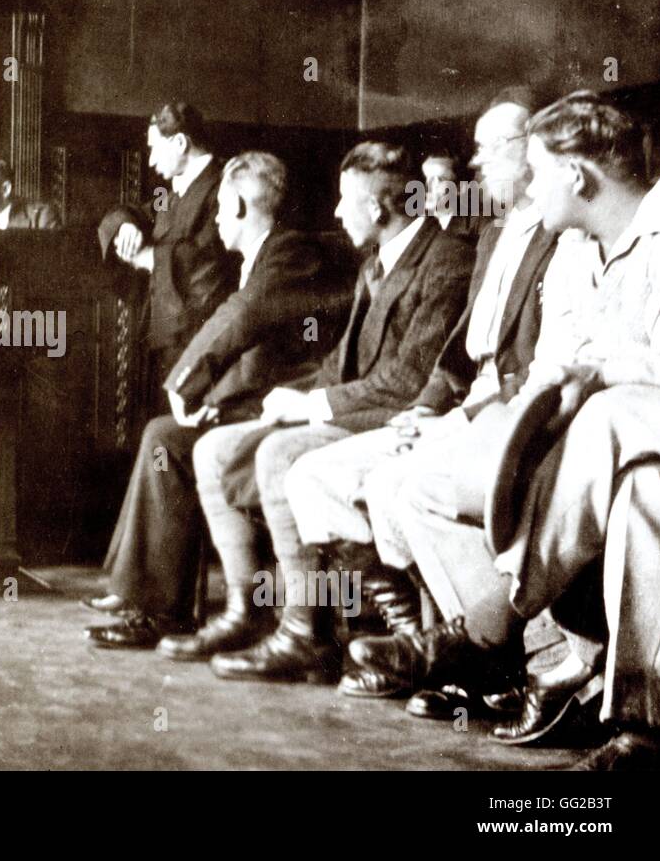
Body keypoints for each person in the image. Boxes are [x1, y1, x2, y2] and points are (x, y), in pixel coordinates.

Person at [350, 92, 660, 760]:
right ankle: (594, 698)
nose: (526, 183)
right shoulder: (575, 248)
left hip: (634, 421)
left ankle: (498, 622)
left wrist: (599, 373)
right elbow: (553, 364)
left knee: (610, 419)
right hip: (606, 443)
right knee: (439, 475)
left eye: (540, 168)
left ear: (577, 177)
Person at [277, 94, 557, 696]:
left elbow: (537, 367)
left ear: (534, 149)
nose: (476, 164)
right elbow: (459, 353)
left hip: (517, 413)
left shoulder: (556, 236)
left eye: (489, 148)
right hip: (458, 410)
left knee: (391, 485)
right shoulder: (495, 234)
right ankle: (417, 640)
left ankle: (468, 657)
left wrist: (456, 415)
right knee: (311, 477)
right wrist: (428, 407)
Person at [182, 141, 474, 681]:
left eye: (344, 201)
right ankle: (245, 611)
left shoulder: (447, 259)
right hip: (361, 408)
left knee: (278, 454)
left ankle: (304, 633)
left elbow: (412, 380)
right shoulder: (375, 264)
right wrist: (288, 402)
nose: (336, 214)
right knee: (214, 448)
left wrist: (312, 406)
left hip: (404, 416)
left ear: (376, 209)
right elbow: (341, 366)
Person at [83, 153, 354, 648]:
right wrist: (213, 399)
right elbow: (247, 343)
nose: (215, 222)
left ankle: (169, 608)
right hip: (266, 400)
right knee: (166, 434)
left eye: (221, 211)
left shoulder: (290, 252)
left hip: (300, 406)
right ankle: (153, 601)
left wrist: (184, 386)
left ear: (242, 207)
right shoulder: (264, 256)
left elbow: (242, 319)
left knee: (169, 435)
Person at [97, 102, 237, 384]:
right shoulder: (175, 191)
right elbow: (136, 211)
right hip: (166, 332)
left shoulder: (224, 185)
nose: (149, 161)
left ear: (181, 143)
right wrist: (127, 225)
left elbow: (211, 258)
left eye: (154, 148)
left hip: (198, 338)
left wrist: (148, 258)